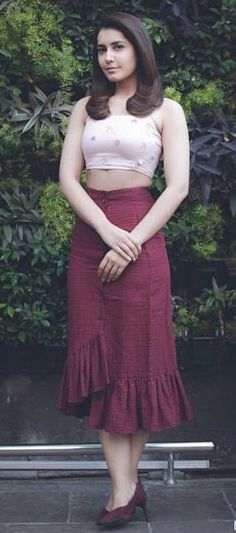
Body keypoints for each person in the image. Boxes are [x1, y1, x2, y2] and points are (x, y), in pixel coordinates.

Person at [57, 11, 194, 528]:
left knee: (136, 360)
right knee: (101, 361)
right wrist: (105, 231)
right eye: (101, 49)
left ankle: (124, 490)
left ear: (138, 49)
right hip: (92, 236)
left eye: (118, 47)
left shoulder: (167, 110)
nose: (108, 57)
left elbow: (176, 186)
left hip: (142, 232)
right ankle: (125, 489)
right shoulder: (84, 109)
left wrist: (131, 240)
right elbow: (70, 179)